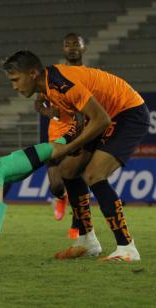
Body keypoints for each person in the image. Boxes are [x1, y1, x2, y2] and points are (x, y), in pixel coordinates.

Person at [3, 50, 149, 262]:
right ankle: (86, 240)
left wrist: (68, 146)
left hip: (127, 111)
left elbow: (101, 119)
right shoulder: (48, 86)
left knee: (94, 174)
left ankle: (127, 247)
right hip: (104, 115)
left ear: (33, 73)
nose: (14, 86)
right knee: (68, 171)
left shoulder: (62, 84)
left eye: (16, 79)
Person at [36, 33, 87, 239]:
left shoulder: (90, 74)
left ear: (84, 48)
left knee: (75, 177)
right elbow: (38, 103)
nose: (72, 47)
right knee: (56, 183)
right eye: (68, 44)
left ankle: (77, 222)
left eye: (76, 44)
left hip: (80, 132)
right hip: (57, 133)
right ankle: (60, 196)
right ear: (63, 49)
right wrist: (49, 112)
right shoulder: (55, 75)